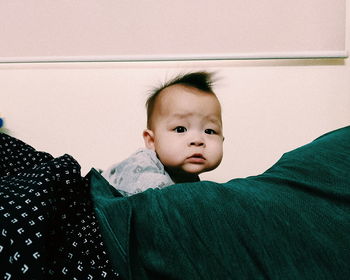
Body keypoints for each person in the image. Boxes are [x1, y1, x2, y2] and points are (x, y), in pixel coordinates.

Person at [102, 71, 224, 196]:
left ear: (222, 140)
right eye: (180, 129)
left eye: (210, 131)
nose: (197, 140)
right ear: (151, 140)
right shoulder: (142, 168)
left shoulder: (191, 182)